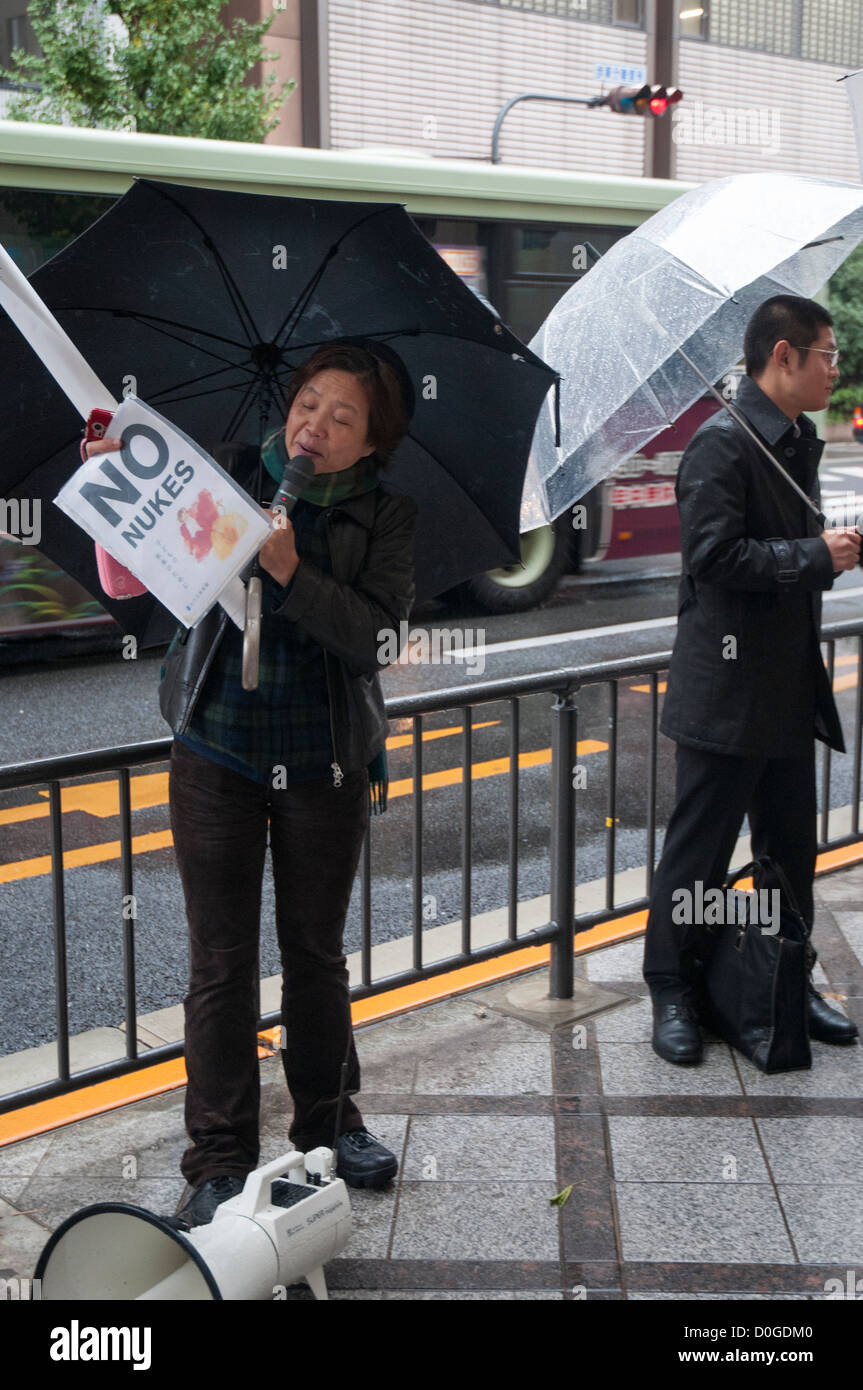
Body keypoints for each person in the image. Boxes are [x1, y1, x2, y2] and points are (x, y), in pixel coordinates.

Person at [86, 340, 417, 1224]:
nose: (315, 427)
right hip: (216, 753)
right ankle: (218, 1158)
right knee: (220, 963)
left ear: (373, 441)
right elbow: (134, 578)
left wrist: (290, 573)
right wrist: (114, 488)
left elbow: (377, 639)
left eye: (342, 418)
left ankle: (331, 1125)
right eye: (308, 404)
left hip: (323, 762)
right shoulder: (229, 472)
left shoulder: (387, 517)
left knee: (315, 956)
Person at [644, 294, 860, 1064]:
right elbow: (711, 559)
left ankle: (783, 979)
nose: (835, 368)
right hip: (724, 693)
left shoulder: (794, 441)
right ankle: (671, 989)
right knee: (698, 854)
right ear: (782, 355)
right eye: (827, 354)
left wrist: (825, 551)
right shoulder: (720, 444)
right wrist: (813, 557)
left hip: (787, 687)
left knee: (788, 851)